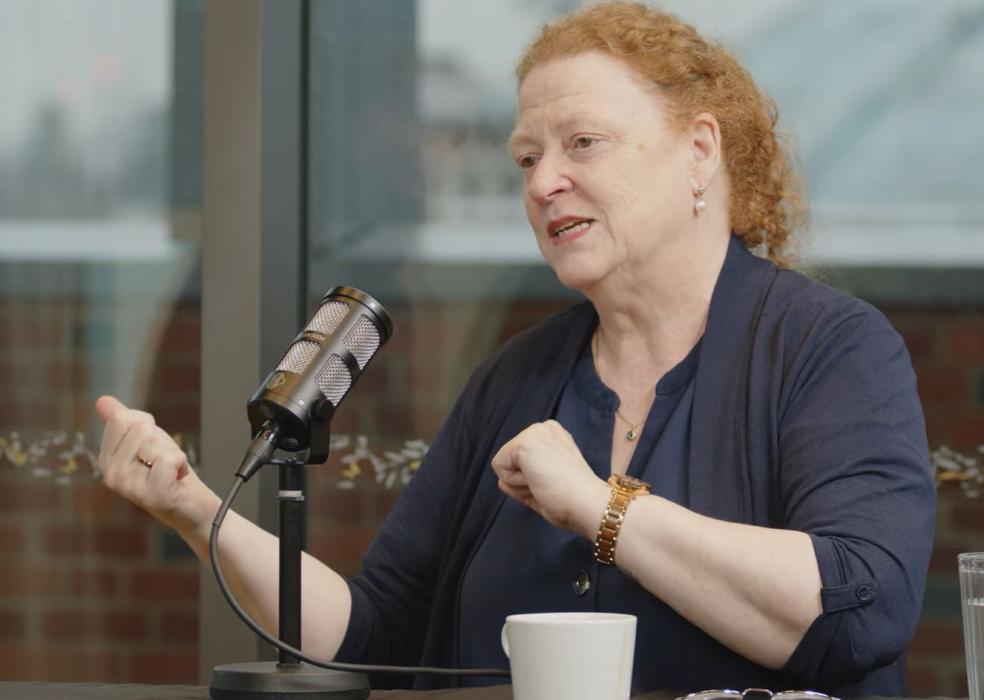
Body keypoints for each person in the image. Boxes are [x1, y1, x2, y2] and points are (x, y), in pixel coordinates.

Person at [94, 2, 935, 696]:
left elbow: (860, 604)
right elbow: (371, 628)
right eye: (527, 157)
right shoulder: (517, 378)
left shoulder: (831, 351)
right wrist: (198, 513)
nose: (541, 183)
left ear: (700, 153)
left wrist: (601, 507)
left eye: (583, 143)